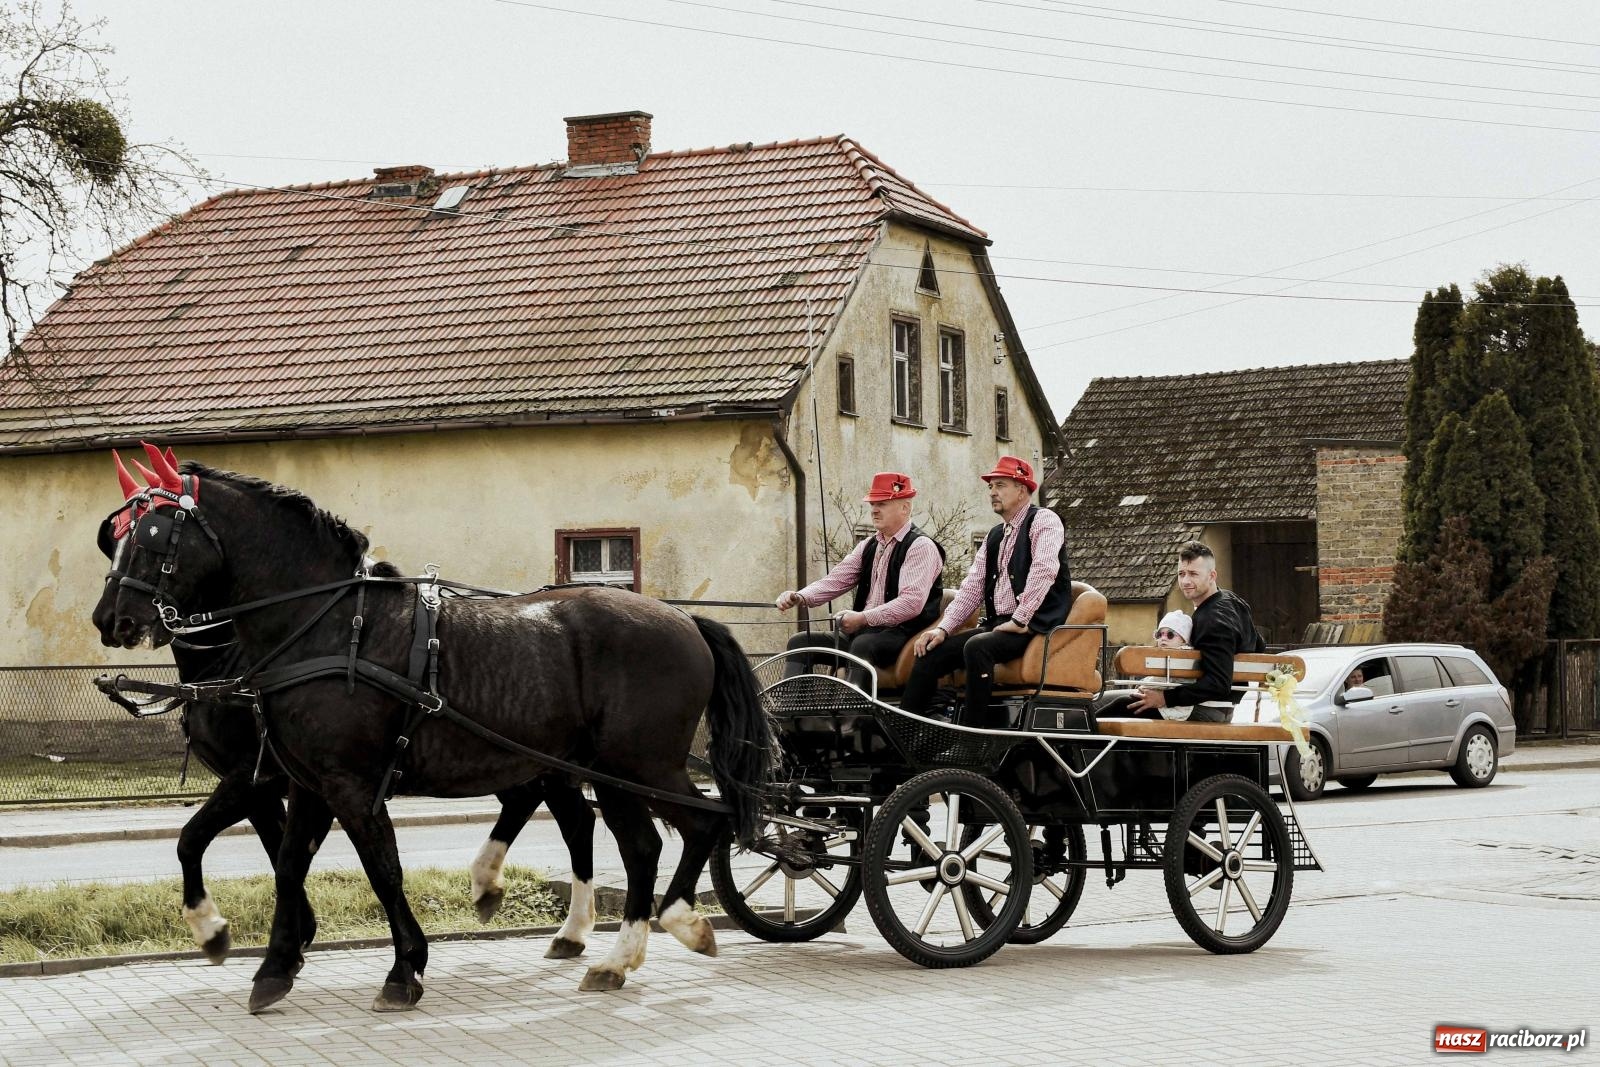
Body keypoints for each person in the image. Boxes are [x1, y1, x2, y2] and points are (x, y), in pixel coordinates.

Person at [900, 455, 1073, 728]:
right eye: (990, 486)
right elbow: (971, 588)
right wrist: (943, 629)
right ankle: (907, 734)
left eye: (1001, 485)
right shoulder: (995, 535)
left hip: (1036, 626)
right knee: (930, 652)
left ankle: (973, 737)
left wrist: (1020, 619)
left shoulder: (1045, 520)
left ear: (1023, 489)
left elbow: (1044, 569)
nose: (992, 492)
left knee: (978, 646)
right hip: (1000, 624)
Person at [775, 471, 945, 686]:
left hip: (905, 634)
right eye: (873, 503)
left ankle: (853, 716)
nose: (874, 510)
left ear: (905, 507)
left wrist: (862, 618)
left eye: (882, 503)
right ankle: (790, 713)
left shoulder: (920, 546)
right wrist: (800, 596)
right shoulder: (869, 545)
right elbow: (837, 579)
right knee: (802, 642)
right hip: (867, 632)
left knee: (862, 645)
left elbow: (911, 603)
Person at [1127, 541, 1265, 723]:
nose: (1185, 581)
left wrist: (1164, 698)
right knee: (1119, 699)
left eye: (1193, 574)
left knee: (1104, 708)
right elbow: (1259, 644)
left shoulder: (1213, 619)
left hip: (1207, 708)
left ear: (1212, 575)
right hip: (1219, 706)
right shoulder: (1232, 601)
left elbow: (1218, 684)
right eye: (1181, 574)